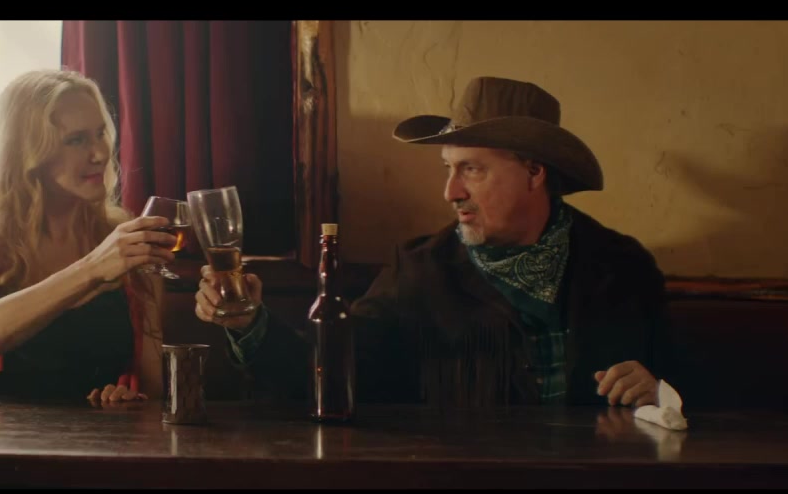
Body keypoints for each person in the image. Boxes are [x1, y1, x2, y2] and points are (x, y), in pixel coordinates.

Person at [194, 76, 677, 408]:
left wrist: (661, 393)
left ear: (534, 172)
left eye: (472, 169)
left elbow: (693, 389)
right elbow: (324, 375)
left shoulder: (622, 267)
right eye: (449, 168)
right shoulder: (419, 270)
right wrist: (248, 322)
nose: (451, 192)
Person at [0, 70, 179, 404]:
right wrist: (92, 269)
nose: (100, 153)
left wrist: (131, 401)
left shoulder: (123, 239)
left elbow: (154, 388)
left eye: (100, 133)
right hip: (4, 436)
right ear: (28, 154)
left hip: (107, 436)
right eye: (76, 140)